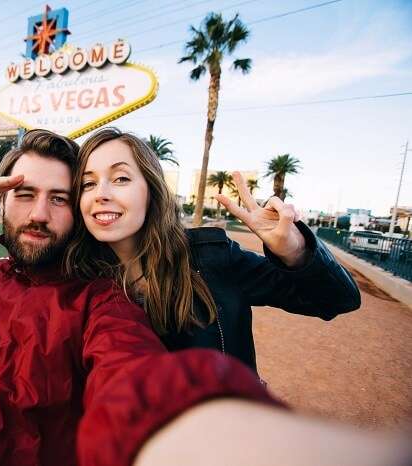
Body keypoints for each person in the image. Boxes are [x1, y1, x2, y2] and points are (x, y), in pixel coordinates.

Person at [0, 129, 276, 466]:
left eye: (59, 199)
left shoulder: (100, 306)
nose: (39, 214)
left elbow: (132, 377)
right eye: (23, 194)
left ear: (78, 212)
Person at [65, 128, 361, 374]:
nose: (101, 193)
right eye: (88, 183)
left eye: (121, 178)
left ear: (151, 191)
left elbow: (338, 299)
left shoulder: (212, 258)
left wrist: (295, 251)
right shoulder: (75, 278)